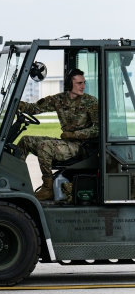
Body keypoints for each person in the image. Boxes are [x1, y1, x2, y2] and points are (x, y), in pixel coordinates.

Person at [17, 69, 99, 201]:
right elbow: (35, 108)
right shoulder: (59, 99)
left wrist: (74, 135)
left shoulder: (91, 102)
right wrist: (19, 105)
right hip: (66, 142)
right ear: (69, 84)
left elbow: (98, 129)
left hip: (80, 146)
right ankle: (17, 181)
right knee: (25, 140)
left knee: (45, 146)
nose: (83, 86)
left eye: (84, 83)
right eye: (79, 83)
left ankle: (48, 187)